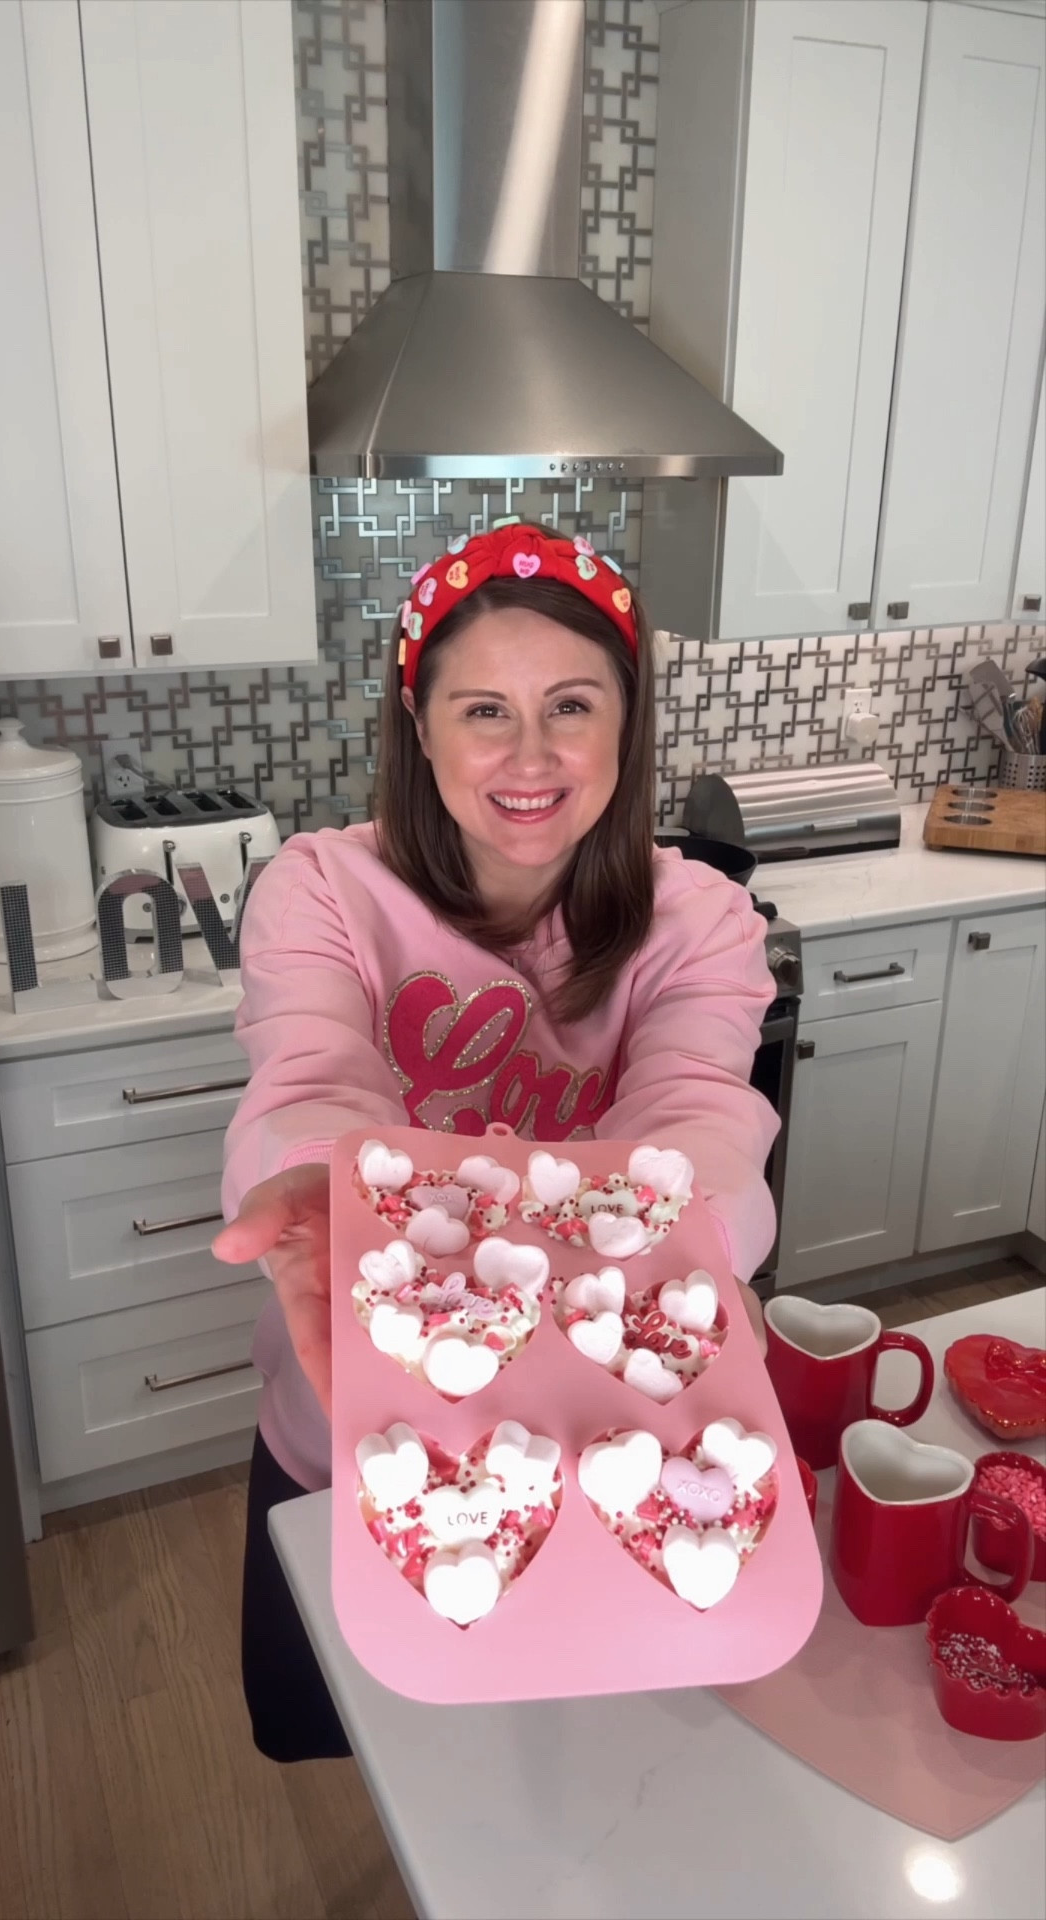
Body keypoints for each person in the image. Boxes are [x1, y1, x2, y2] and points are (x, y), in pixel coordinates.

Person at [213, 520, 779, 1763]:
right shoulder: (323, 889)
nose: (530, 756)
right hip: (353, 1431)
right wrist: (314, 1182)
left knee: (568, 1771)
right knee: (342, 1742)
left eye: (570, 705)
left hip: (604, 1446)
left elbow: (693, 1113)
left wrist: (702, 1239)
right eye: (484, 711)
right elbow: (314, 1073)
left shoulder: (700, 920)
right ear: (419, 730)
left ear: (625, 726)